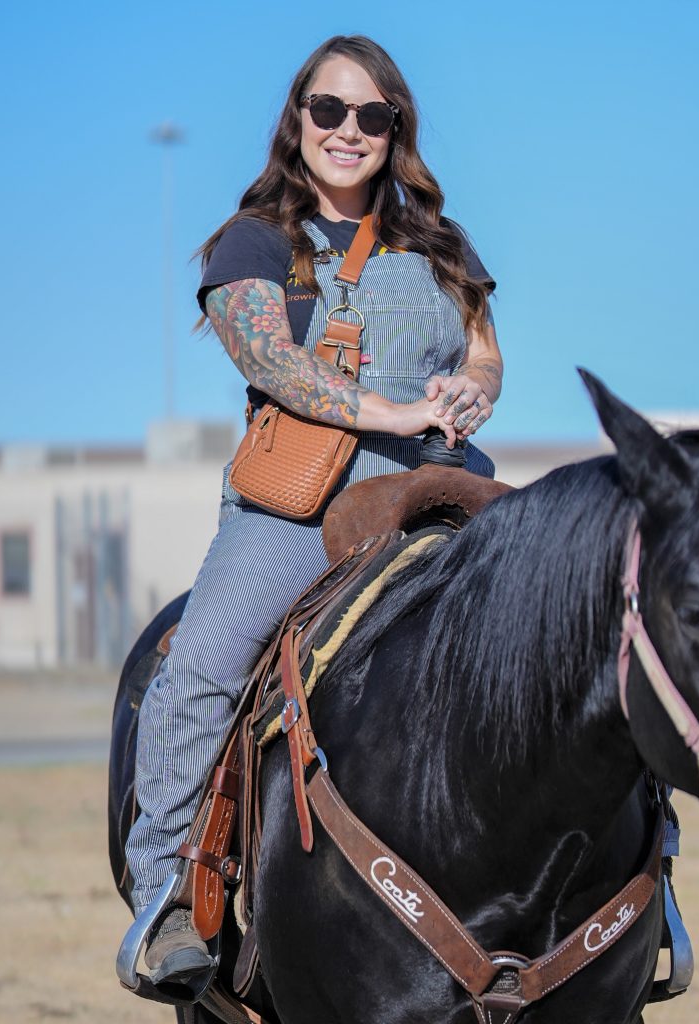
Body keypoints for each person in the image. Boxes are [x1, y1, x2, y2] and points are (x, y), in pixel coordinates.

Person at [123, 34, 503, 988]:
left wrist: (468, 394)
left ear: (395, 131)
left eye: (371, 116)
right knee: (201, 664)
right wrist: (394, 408)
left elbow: (486, 351)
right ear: (297, 121)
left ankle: (639, 883)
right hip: (298, 503)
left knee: (571, 619)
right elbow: (269, 362)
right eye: (327, 110)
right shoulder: (253, 239)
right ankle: (167, 896)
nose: (347, 130)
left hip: (432, 486)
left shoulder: (441, 244)